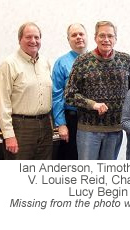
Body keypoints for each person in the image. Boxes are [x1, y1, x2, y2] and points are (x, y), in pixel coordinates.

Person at [65, 21, 130, 160]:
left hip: (115, 129)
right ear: (95, 38)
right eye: (102, 35)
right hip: (88, 130)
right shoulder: (82, 61)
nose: (106, 39)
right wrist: (92, 104)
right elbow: (69, 95)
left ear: (115, 39)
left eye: (110, 36)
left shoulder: (125, 60)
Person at [0, 22, 53, 160]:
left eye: (37, 37)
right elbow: (2, 102)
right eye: (28, 37)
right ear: (19, 40)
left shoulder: (45, 62)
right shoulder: (9, 64)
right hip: (21, 128)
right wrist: (8, 135)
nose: (33, 41)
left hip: (46, 125)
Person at [52, 23, 88, 160]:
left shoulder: (96, 60)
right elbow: (56, 95)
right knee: (71, 158)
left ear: (87, 36)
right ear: (68, 40)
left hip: (92, 119)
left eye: (81, 34)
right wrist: (61, 124)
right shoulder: (61, 63)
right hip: (71, 119)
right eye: (74, 35)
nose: (78, 37)